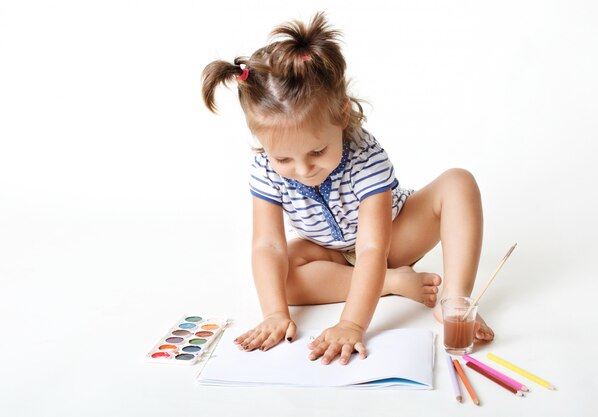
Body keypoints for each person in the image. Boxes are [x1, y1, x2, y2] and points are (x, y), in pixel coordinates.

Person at [201, 12, 494, 366]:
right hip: (332, 252)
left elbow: (373, 247)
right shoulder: (265, 167)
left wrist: (352, 323)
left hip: (394, 238)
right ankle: (392, 283)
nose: (303, 170)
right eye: (285, 160)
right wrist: (275, 313)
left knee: (458, 182)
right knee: (280, 278)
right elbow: (267, 244)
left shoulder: (364, 156)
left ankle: (454, 301)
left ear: (341, 114)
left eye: (317, 151)